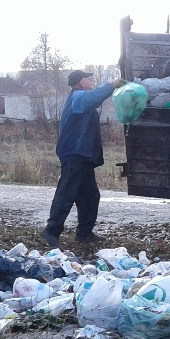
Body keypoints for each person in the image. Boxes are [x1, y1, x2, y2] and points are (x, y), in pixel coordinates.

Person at [41, 70, 125, 247]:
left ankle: (85, 233)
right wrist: (111, 85)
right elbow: (93, 98)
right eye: (88, 78)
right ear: (81, 83)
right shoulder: (78, 96)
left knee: (90, 196)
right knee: (66, 193)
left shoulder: (79, 97)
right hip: (74, 154)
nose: (91, 79)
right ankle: (51, 232)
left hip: (83, 156)